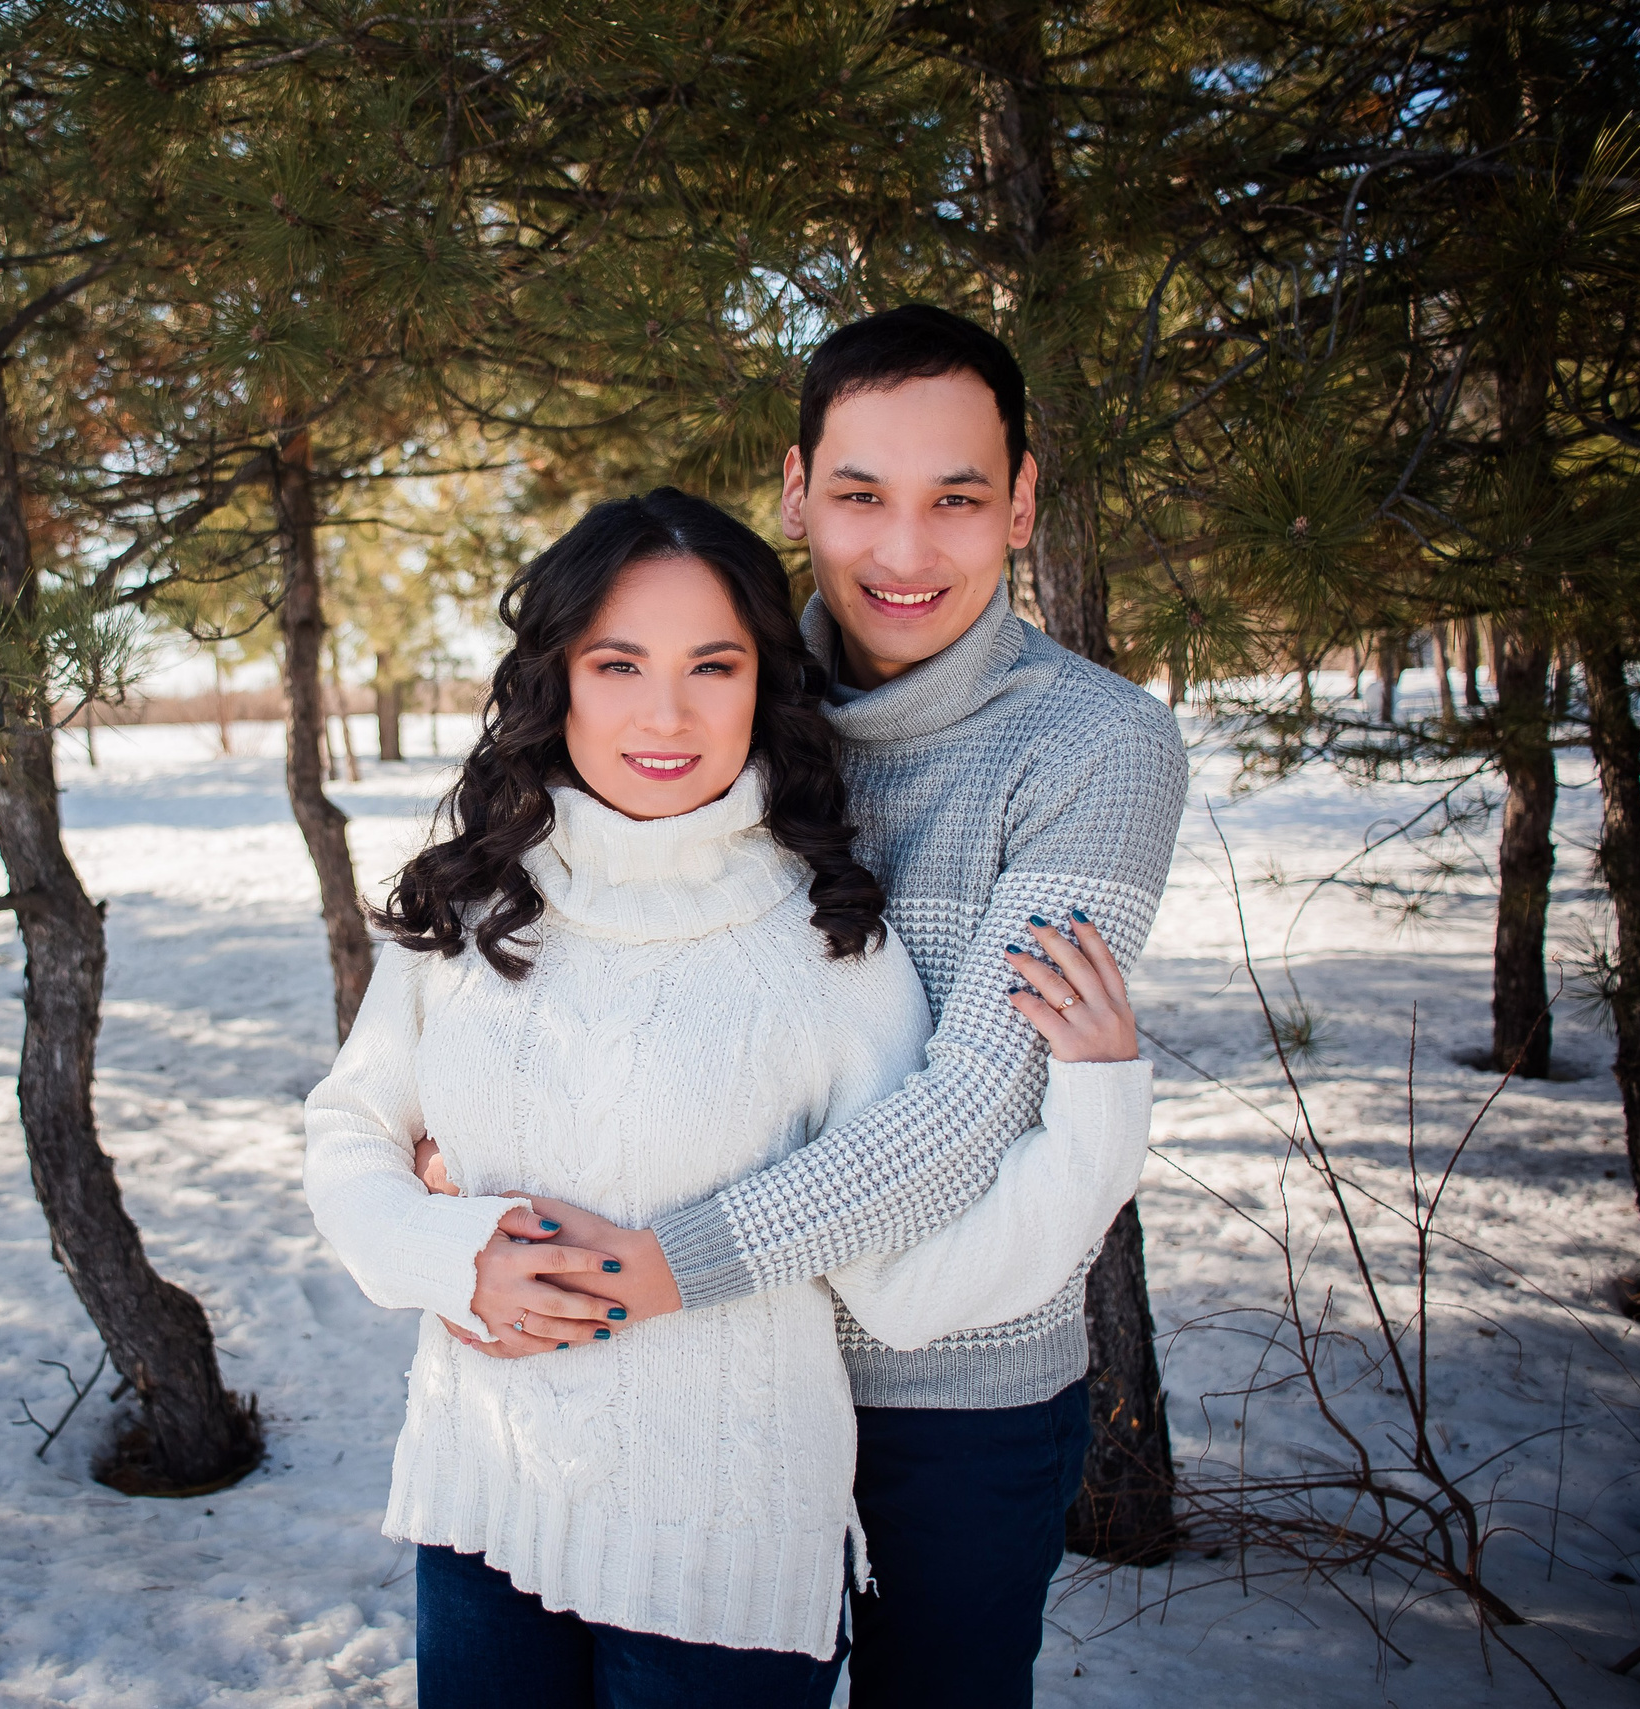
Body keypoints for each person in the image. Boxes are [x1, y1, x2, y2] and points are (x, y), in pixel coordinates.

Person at [302, 487, 1155, 1709]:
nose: (666, 712)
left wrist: (1094, 1115)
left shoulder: (830, 945)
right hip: (481, 1501)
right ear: (559, 681)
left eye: (714, 663)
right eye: (618, 663)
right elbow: (350, 1134)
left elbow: (916, 1283)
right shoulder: (476, 903)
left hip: (717, 1566)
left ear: (767, 680)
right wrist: (448, 1254)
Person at [477, 304, 1191, 1706]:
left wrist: (638, 1272)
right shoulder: (710, 690)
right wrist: (461, 1173)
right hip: (701, 1379)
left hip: (939, 1397)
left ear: (1023, 504)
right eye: (861, 496)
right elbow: (556, 964)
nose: (904, 551)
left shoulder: (1096, 747)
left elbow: (980, 1104)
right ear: (796, 490)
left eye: (958, 500)